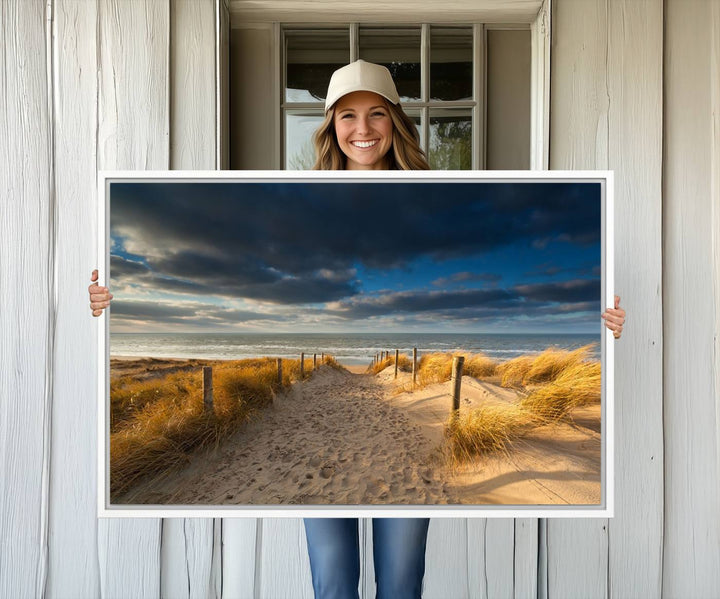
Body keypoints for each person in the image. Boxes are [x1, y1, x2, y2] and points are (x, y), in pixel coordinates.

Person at [87, 60, 626, 599]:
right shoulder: (300, 201)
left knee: (401, 583)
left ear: (395, 121)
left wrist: (603, 322)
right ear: (330, 126)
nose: (363, 130)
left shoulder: (437, 195)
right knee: (333, 582)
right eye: (348, 115)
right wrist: (108, 301)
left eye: (376, 115)